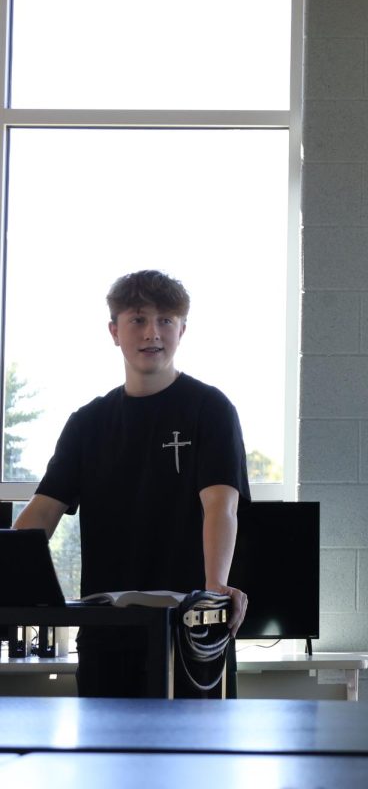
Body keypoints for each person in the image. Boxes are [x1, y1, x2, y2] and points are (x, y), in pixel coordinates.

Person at [13, 270, 250, 698]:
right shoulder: (87, 424)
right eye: (138, 320)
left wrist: (215, 589)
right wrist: (8, 576)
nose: (151, 333)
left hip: (189, 628)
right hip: (106, 628)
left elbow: (221, 506)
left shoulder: (210, 409)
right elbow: (43, 512)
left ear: (182, 329)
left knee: (198, 761)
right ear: (114, 331)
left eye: (165, 320)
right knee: (106, 760)